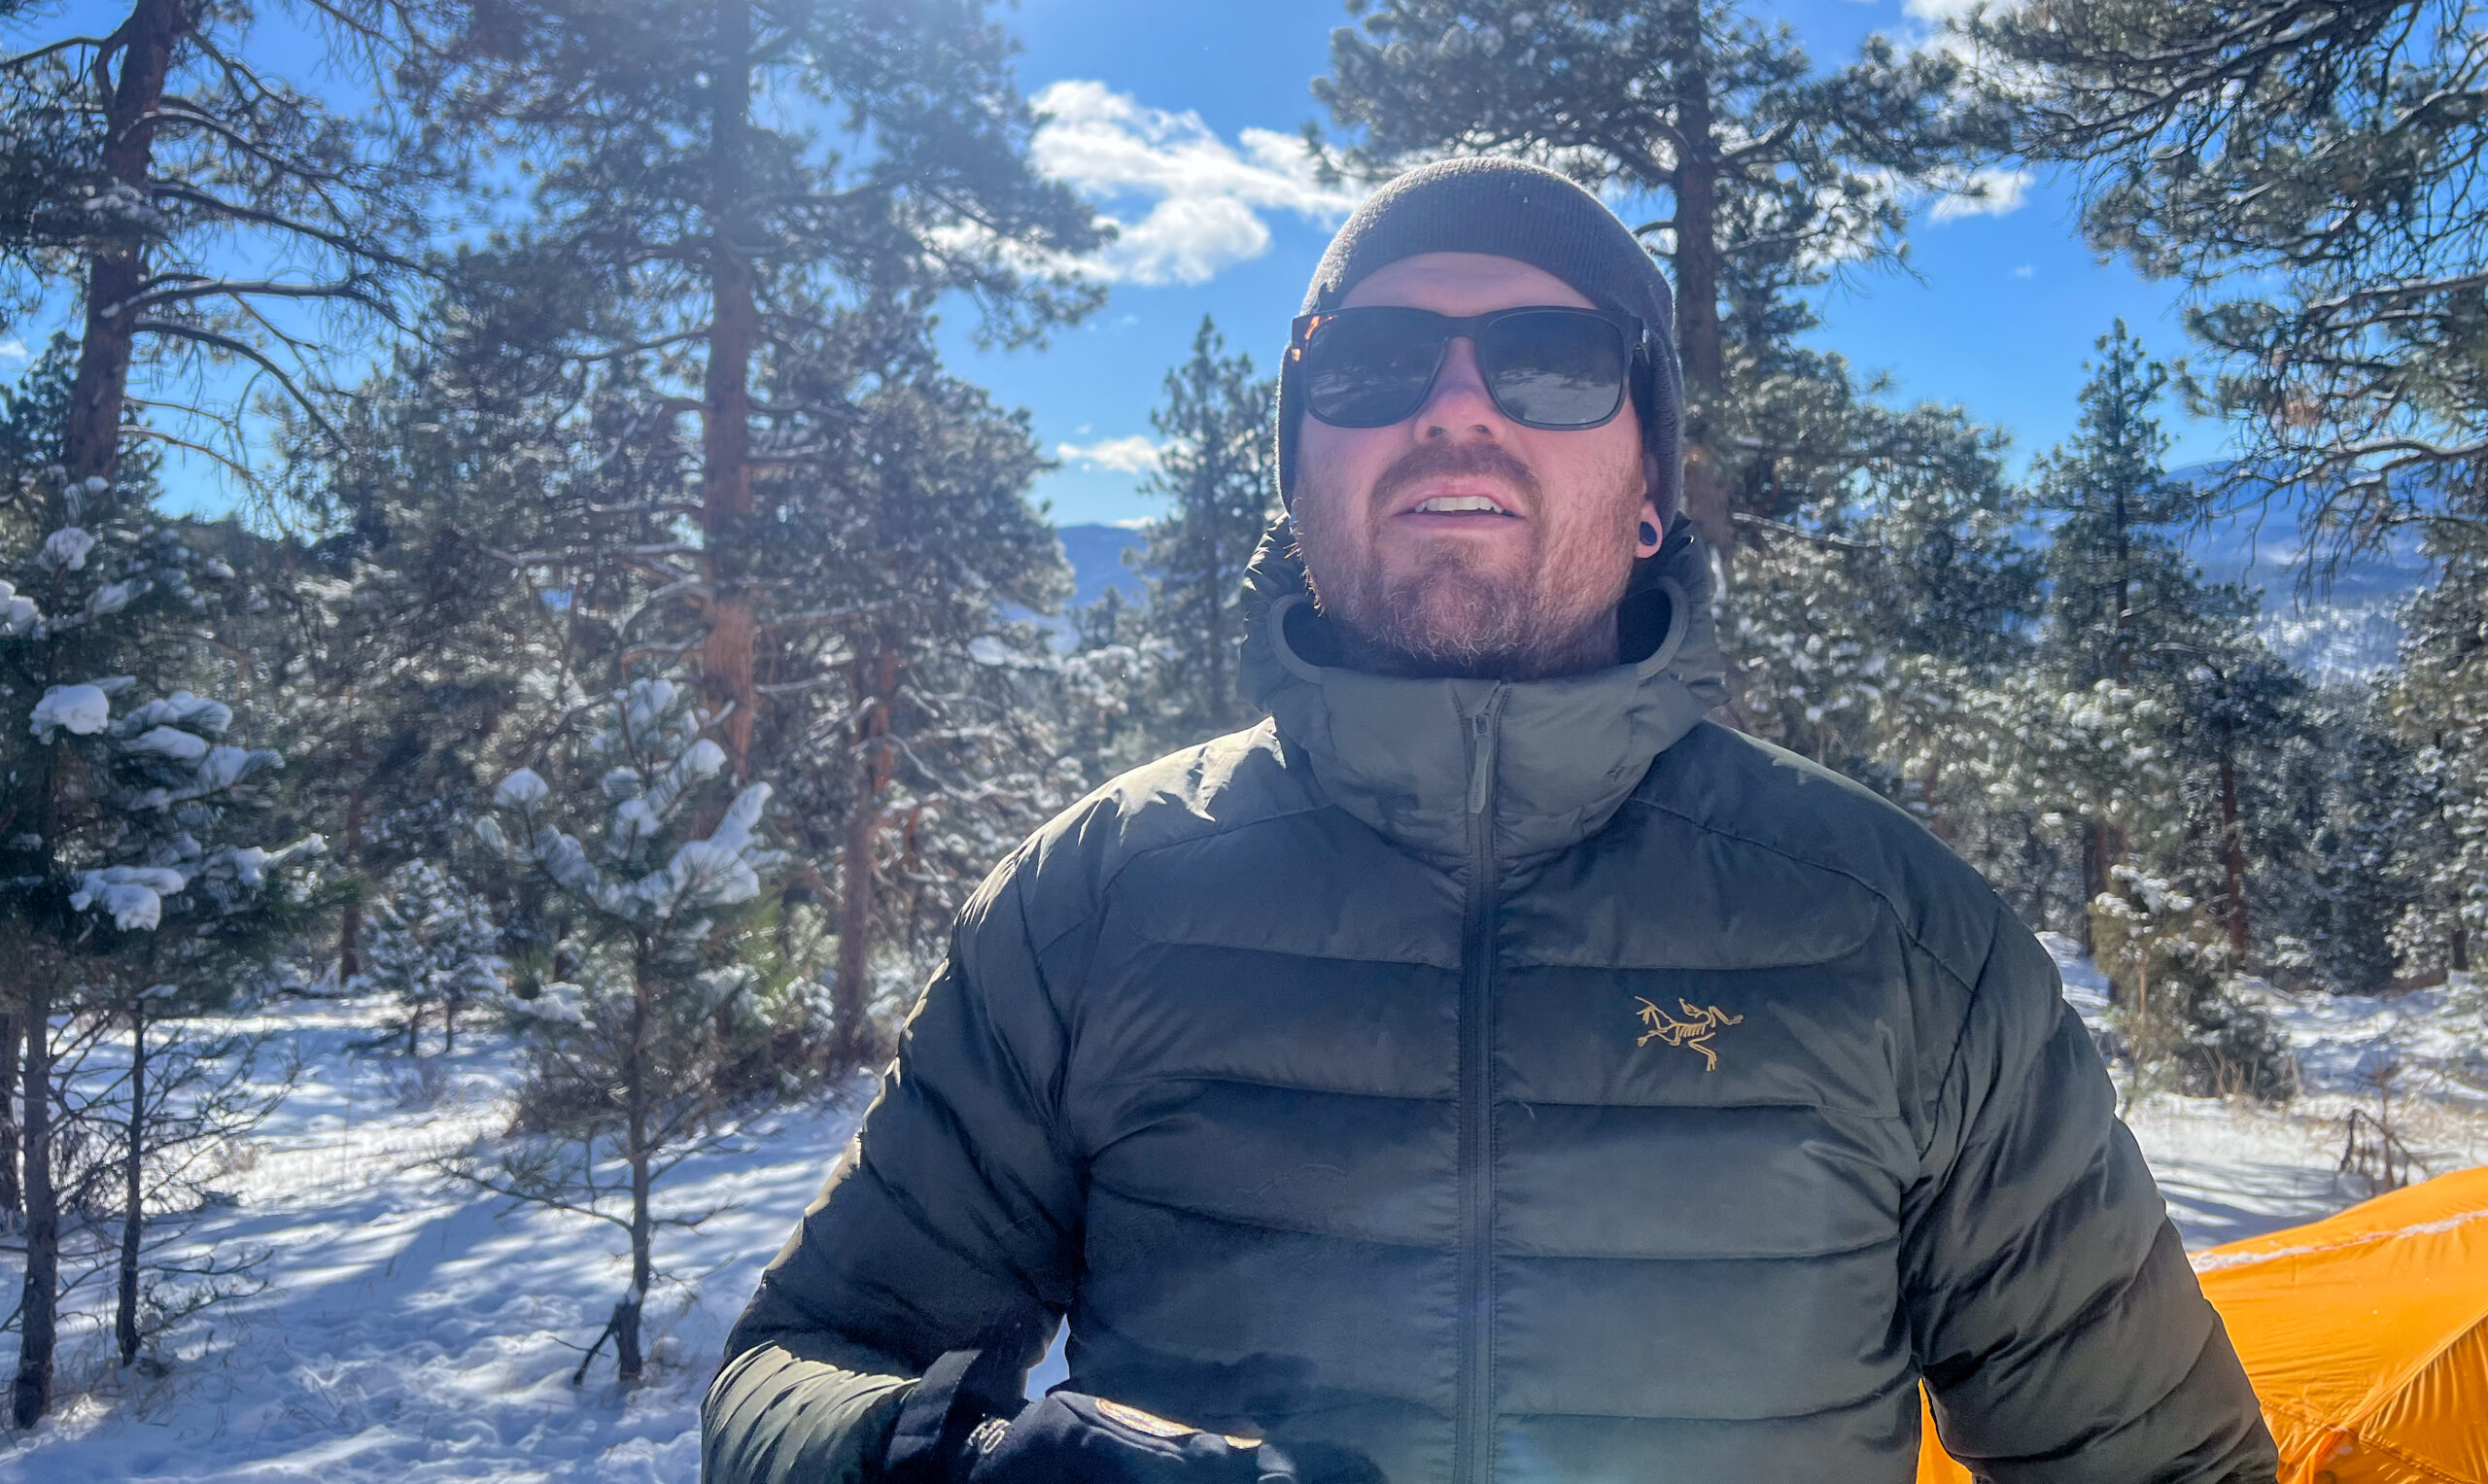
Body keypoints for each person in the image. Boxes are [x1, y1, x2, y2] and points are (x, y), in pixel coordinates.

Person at [702, 159, 2279, 1484]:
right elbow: (795, 1366)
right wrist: (943, 1469)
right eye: (1373, 361)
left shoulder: (1896, 937)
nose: (1456, 407)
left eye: (1548, 360)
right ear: (1299, 468)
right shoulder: (1093, 901)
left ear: (1652, 473)